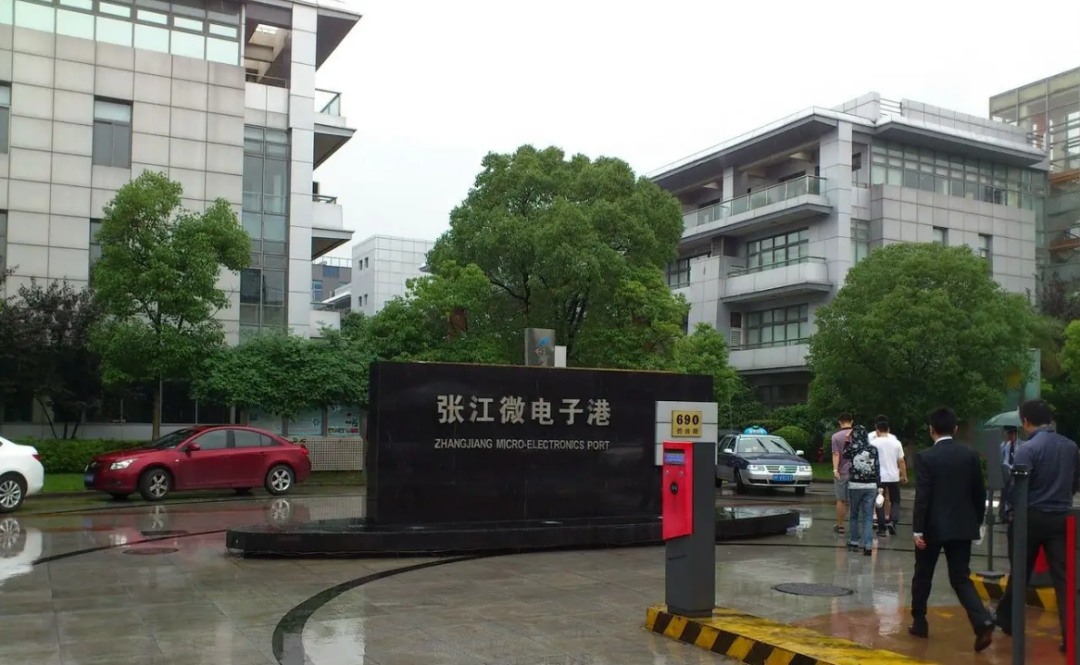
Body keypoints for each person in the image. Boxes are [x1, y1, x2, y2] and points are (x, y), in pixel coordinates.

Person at [993, 399, 1080, 654]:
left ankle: (1008, 621)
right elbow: (1075, 483)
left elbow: (1016, 490)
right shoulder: (1071, 447)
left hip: (1029, 518)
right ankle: (1072, 638)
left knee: (1020, 573)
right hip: (1061, 518)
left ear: (1025, 421)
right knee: (1065, 581)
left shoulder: (1027, 449)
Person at [910, 407, 995, 653]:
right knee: (960, 577)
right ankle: (982, 621)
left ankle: (919, 622)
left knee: (923, 574)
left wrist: (918, 530)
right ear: (955, 429)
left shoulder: (925, 457)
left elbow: (923, 496)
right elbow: (979, 493)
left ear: (931, 430)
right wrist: (977, 522)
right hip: (962, 527)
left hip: (931, 528)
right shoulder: (970, 455)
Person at [843, 425, 881, 555]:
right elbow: (877, 467)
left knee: (854, 514)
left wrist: (847, 441)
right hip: (871, 486)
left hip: (855, 485)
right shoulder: (873, 449)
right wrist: (878, 484)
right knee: (868, 516)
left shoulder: (852, 447)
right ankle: (868, 545)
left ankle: (854, 542)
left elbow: (844, 455)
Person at [870, 416, 907, 536]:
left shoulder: (873, 443)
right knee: (895, 500)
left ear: (877, 430)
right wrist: (904, 475)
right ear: (889, 429)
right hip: (893, 477)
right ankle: (892, 521)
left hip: (879, 477)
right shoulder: (896, 443)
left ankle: (881, 527)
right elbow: (901, 461)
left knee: (879, 501)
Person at [831, 413, 854, 535]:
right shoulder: (859, 435)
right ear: (852, 421)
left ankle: (840, 526)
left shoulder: (835, 437)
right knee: (855, 500)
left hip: (842, 472)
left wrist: (835, 470)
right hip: (857, 472)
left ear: (839, 422)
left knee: (841, 500)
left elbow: (836, 454)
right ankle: (854, 526)